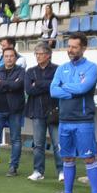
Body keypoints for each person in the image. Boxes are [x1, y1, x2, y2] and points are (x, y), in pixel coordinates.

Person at [50, 34, 97, 193]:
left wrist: (64, 87)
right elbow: (53, 91)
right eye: (69, 46)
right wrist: (72, 90)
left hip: (83, 120)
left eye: (74, 47)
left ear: (83, 48)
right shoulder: (61, 68)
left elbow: (83, 88)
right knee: (67, 158)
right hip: (64, 120)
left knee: (89, 158)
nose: (70, 50)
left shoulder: (91, 68)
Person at [0, 47, 26, 177]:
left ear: (15, 57)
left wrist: (1, 83)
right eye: (6, 56)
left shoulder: (22, 71)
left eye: (11, 56)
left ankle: (13, 167)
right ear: (3, 58)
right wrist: (9, 85)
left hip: (15, 110)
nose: (9, 58)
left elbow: (18, 86)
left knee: (16, 139)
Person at [25, 43, 61, 182]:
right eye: (36, 54)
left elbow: (56, 86)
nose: (38, 56)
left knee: (58, 144)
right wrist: (46, 84)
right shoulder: (30, 71)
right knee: (38, 144)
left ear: (48, 55)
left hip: (54, 111)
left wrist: (38, 83)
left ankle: (62, 171)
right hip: (37, 112)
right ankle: (38, 171)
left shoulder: (58, 69)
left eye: (40, 54)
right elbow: (29, 90)